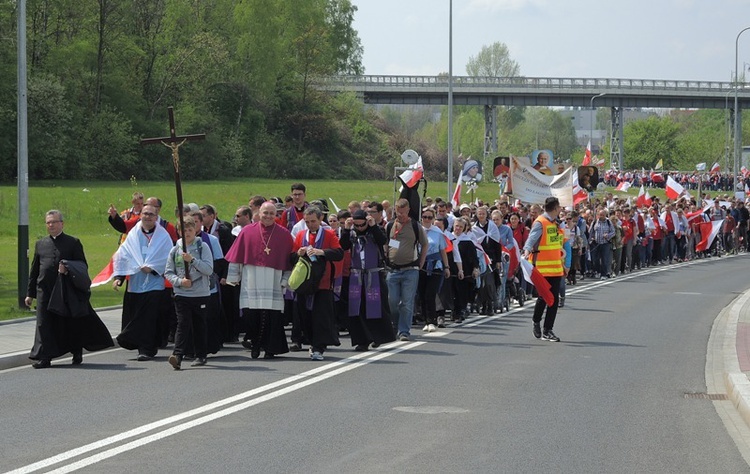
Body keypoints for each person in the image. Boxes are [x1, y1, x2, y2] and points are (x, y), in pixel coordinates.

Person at [25, 210, 113, 368]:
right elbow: (35, 271)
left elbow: (82, 266)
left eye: (54, 222)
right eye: (48, 222)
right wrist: (30, 294)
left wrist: (67, 269)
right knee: (43, 324)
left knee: (70, 322)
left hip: (65, 290)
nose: (51, 225)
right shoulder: (40, 244)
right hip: (44, 291)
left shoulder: (73, 242)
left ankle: (76, 350)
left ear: (62, 223)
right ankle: (45, 357)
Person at [226, 201, 294, 359]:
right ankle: (255, 345)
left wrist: (286, 280)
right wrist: (233, 277)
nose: (268, 216)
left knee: (272, 316)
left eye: (272, 213)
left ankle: (270, 348)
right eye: (265, 213)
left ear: (276, 215)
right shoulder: (247, 231)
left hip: (273, 281)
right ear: (259, 214)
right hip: (252, 280)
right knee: (252, 315)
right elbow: (236, 257)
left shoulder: (284, 234)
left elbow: (290, 263)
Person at [112, 204, 173, 360]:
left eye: (151, 214)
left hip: (154, 282)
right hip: (136, 282)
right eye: (145, 213)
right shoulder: (134, 234)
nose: (148, 217)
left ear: (156, 216)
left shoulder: (163, 235)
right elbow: (123, 255)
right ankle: (137, 343)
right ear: (141, 215)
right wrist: (118, 278)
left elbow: (167, 257)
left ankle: (146, 349)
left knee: (150, 316)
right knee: (137, 315)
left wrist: (152, 268)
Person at [340, 210, 396, 350]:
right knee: (357, 308)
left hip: (373, 275)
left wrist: (373, 226)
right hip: (357, 275)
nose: (359, 228)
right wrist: (346, 230)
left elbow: (383, 240)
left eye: (362, 225)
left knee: (377, 306)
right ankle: (362, 340)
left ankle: (378, 336)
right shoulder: (351, 233)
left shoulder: (374, 230)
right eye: (356, 225)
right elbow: (344, 245)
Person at [293, 206, 344, 361]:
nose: (310, 225)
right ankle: (311, 341)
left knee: (321, 317)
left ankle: (318, 347)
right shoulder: (301, 235)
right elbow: (291, 258)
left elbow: (339, 253)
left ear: (321, 219)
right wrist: (298, 253)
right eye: (307, 222)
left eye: (313, 221)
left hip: (323, 283)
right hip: (305, 283)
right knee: (305, 316)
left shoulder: (329, 234)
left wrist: (321, 252)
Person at [164, 216, 214, 369]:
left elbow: (209, 269)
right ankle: (178, 355)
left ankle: (200, 355)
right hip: (182, 294)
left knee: (199, 324)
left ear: (195, 230)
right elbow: (168, 272)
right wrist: (180, 282)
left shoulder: (202, 247)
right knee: (183, 323)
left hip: (200, 294)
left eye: (190, 230)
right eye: (183, 230)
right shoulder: (175, 250)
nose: (187, 233)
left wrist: (192, 260)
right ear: (179, 232)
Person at [523, 197, 565, 342]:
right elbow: (531, 239)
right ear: (555, 208)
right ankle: (536, 320)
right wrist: (526, 251)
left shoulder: (556, 223)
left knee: (553, 300)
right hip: (542, 268)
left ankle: (548, 330)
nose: (560, 210)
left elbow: (556, 242)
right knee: (544, 298)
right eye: (559, 207)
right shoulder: (541, 222)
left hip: (556, 268)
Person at [386, 198, 428, 341]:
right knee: (392, 301)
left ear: (408, 211)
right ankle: (395, 324)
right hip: (392, 270)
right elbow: (387, 243)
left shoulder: (416, 226)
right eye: (398, 213)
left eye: (403, 213)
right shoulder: (390, 225)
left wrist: (421, 263)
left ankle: (404, 331)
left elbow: (425, 244)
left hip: (410, 269)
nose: (401, 216)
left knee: (407, 302)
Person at [417, 207, 451, 332]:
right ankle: (425, 319)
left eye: (429, 217)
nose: (427, 219)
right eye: (425, 217)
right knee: (421, 293)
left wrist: (446, 266)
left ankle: (431, 320)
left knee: (430, 294)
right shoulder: (417, 231)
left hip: (435, 266)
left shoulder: (438, 233)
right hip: (420, 265)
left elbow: (442, 250)